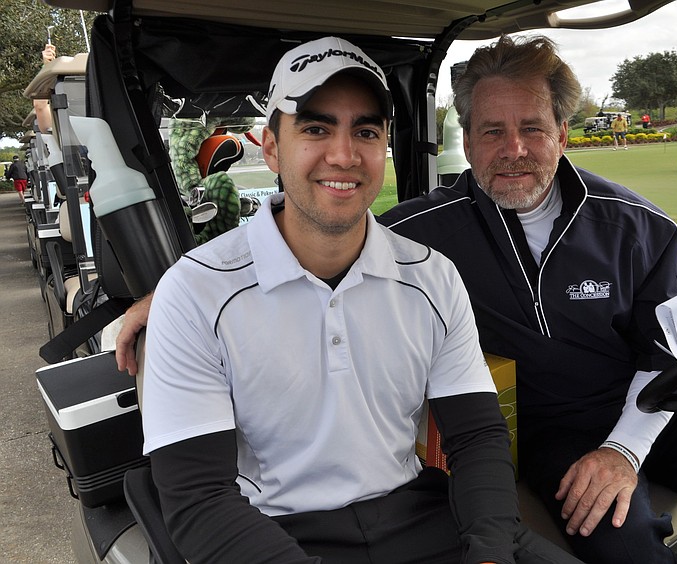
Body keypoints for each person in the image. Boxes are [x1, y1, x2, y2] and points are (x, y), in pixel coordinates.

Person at [118, 35, 677, 564]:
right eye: (492, 130)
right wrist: (172, 290)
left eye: (532, 128)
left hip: (661, 408)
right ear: (468, 137)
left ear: (563, 130)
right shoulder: (426, 234)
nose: (513, 148)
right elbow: (321, 228)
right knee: (631, 552)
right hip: (555, 430)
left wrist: (623, 449)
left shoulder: (636, 225)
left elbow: (671, 356)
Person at [139, 36, 575, 564]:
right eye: (316, 128)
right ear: (272, 146)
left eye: (365, 131)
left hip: (419, 517)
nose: (344, 155)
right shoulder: (195, 292)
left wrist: (488, 552)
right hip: (275, 534)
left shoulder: (432, 277)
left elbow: (478, 435)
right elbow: (198, 499)